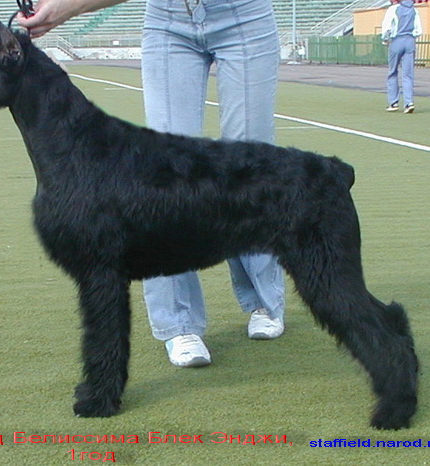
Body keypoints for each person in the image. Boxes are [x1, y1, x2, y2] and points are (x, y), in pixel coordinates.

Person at [18, 0, 286, 368]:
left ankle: (264, 301)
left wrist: (66, 7)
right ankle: (179, 323)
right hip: (169, 21)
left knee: (251, 163)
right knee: (166, 171)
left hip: (244, 15)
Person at [381, 0, 422, 114]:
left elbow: (387, 27)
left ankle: (393, 102)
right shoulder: (414, 10)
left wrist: (385, 39)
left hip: (397, 40)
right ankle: (409, 102)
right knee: (408, 74)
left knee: (393, 72)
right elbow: (419, 30)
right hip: (410, 41)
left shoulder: (393, 9)